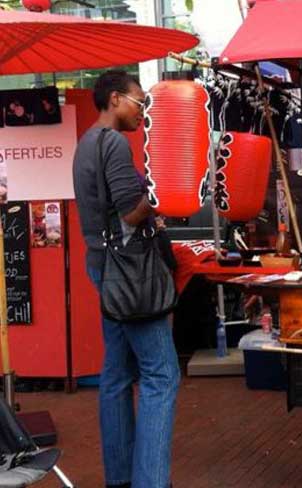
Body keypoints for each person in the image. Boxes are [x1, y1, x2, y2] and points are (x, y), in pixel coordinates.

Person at [72, 70, 180, 488]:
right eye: (140, 102)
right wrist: (157, 201)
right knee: (161, 375)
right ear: (115, 99)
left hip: (102, 265)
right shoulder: (114, 143)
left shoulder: (85, 144)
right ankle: (151, 482)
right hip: (130, 270)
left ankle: (118, 478)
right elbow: (128, 211)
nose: (144, 111)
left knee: (117, 374)